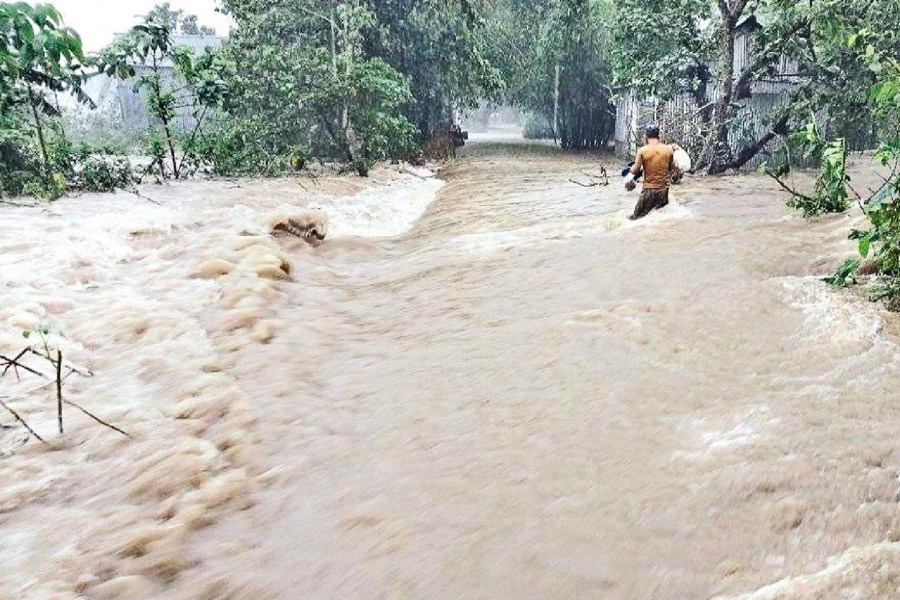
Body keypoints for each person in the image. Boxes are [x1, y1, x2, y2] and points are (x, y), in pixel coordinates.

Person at [623, 125, 675, 220]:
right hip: (664, 191)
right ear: (659, 137)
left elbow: (635, 170)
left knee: (634, 218)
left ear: (646, 137)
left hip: (649, 191)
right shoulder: (669, 150)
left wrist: (627, 175)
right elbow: (672, 168)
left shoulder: (642, 151)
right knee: (659, 217)